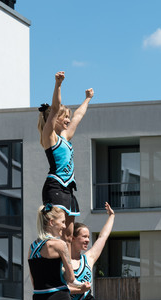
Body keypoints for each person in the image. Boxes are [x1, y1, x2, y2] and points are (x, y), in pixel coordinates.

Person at [38, 70, 94, 240]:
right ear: (54, 120)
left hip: (68, 189)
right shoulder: (50, 137)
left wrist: (87, 99)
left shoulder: (65, 137)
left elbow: (79, 115)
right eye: (65, 117)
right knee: (57, 232)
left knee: (69, 236)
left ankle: (67, 267)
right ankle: (54, 262)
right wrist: (58, 84)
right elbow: (55, 108)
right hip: (55, 186)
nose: (68, 120)